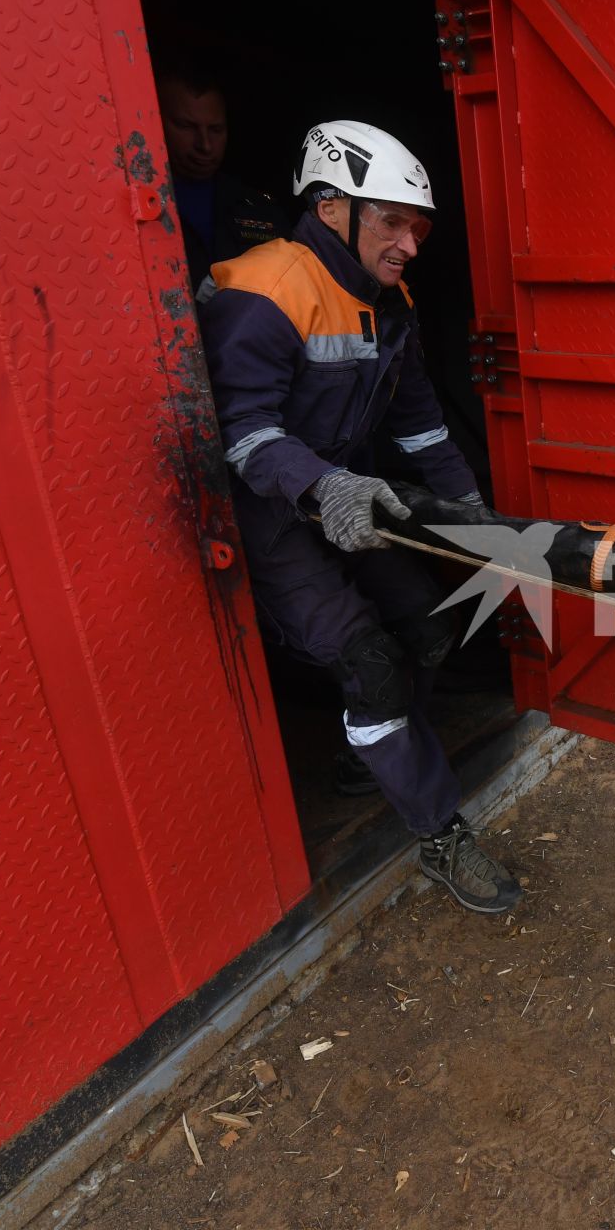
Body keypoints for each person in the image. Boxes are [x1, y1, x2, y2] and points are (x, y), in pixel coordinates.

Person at [198, 120, 522, 915]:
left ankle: (362, 751)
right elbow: (240, 431)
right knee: (371, 664)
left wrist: (474, 515)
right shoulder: (267, 289)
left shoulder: (390, 303)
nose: (411, 244)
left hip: (347, 499)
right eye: (393, 222)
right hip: (275, 517)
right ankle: (441, 836)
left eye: (420, 227)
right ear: (330, 206)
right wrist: (322, 488)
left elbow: (421, 425)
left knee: (428, 624)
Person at [155, 67, 285, 288]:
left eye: (215, 130)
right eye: (187, 127)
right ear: (155, 120)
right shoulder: (139, 201)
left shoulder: (257, 207)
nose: (204, 145)